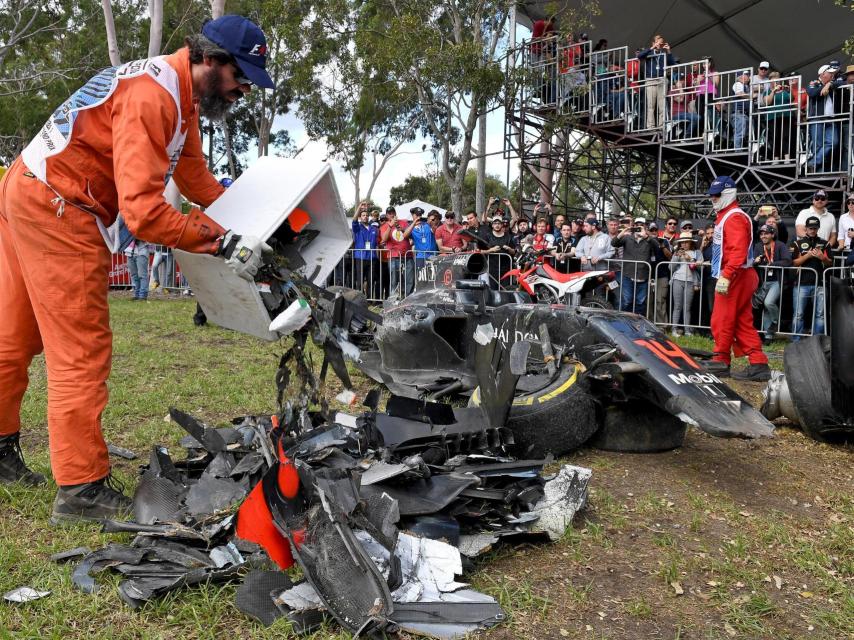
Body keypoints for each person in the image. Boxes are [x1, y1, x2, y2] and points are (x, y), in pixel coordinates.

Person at [0, 15, 275, 519]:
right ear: (209, 60)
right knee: (81, 350)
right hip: (62, 204)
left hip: (30, 186)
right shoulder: (154, 97)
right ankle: (81, 489)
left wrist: (255, 222)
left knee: (14, 336)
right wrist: (220, 242)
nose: (244, 91)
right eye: (241, 78)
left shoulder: (181, 98)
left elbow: (195, 178)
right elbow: (144, 214)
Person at [703, 176, 769, 380]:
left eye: (716, 195)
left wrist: (726, 275)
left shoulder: (734, 217)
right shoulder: (729, 216)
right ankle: (758, 363)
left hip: (735, 275)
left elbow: (738, 250)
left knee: (722, 318)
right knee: (741, 321)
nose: (713, 199)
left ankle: (721, 360)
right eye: (712, 195)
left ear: (728, 194)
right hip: (738, 274)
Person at [790, 216, 833, 337]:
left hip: (820, 283)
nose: (812, 230)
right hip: (801, 283)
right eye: (810, 228)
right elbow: (793, 263)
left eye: (815, 228)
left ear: (818, 228)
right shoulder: (797, 243)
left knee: (820, 315)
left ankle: (817, 341)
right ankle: (796, 341)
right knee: (798, 314)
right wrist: (807, 256)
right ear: (806, 228)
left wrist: (822, 257)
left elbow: (831, 263)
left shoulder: (825, 243)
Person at [751, 224, 792, 344]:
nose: (763, 236)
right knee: (766, 308)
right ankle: (768, 337)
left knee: (768, 302)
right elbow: (753, 262)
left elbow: (788, 261)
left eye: (766, 233)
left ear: (772, 235)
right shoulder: (758, 246)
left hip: (777, 281)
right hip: (763, 282)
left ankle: (775, 322)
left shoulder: (780, 245)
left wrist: (772, 264)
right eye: (761, 234)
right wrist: (755, 262)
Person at [611, 217, 658, 313]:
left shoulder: (649, 239)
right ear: (634, 226)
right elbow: (614, 243)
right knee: (627, 300)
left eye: (641, 225)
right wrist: (622, 232)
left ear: (645, 226)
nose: (639, 227)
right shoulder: (627, 237)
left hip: (643, 276)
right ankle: (625, 319)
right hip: (628, 275)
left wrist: (646, 237)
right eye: (637, 225)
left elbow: (657, 247)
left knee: (640, 302)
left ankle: (637, 321)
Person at [806, 63, 847, 172]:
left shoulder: (832, 83)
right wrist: (823, 87)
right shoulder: (814, 83)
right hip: (817, 118)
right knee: (818, 146)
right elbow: (812, 92)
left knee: (833, 142)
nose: (833, 75)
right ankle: (817, 171)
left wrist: (829, 84)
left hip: (831, 119)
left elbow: (844, 82)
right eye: (830, 73)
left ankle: (812, 163)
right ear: (823, 74)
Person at [637, 34, 676, 128]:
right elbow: (639, 56)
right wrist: (652, 47)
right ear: (653, 43)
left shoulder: (663, 53)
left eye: (661, 42)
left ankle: (661, 126)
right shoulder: (649, 52)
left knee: (661, 105)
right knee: (651, 105)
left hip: (661, 80)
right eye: (657, 42)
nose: (659, 44)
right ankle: (650, 126)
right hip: (650, 80)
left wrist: (668, 50)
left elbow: (672, 63)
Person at [669, 231, 703, 335]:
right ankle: (674, 330)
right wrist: (676, 257)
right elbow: (670, 268)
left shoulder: (697, 252)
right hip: (677, 280)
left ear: (691, 242)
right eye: (682, 242)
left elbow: (701, 268)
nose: (684, 244)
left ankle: (687, 331)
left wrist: (690, 259)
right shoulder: (677, 253)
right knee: (677, 306)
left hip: (691, 281)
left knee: (687, 307)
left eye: (686, 242)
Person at [379, 206, 415, 299]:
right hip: (393, 256)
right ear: (387, 215)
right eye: (389, 213)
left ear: (395, 213)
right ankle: (393, 300)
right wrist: (390, 226)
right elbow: (384, 239)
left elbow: (411, 235)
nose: (392, 215)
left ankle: (408, 300)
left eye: (393, 213)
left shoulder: (404, 222)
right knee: (394, 280)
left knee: (410, 279)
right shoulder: (384, 226)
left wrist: (402, 229)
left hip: (407, 255)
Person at [351, 203, 380, 297]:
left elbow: (376, 243)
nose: (365, 217)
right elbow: (354, 220)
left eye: (367, 215)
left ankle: (370, 300)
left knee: (371, 280)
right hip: (360, 257)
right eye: (363, 215)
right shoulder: (357, 227)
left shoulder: (374, 229)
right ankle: (359, 299)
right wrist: (359, 207)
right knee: (360, 281)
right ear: (360, 217)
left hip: (372, 258)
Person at [481, 216, 516, 285]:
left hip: (506, 269)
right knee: (493, 289)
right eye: (495, 223)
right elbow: (480, 251)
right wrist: (490, 250)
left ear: (502, 224)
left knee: (505, 289)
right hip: (492, 268)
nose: (497, 225)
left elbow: (514, 252)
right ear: (492, 225)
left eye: (499, 223)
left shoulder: (508, 236)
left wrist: (509, 249)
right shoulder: (487, 236)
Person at [409, 207, 437, 272]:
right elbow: (405, 235)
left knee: (433, 276)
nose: (419, 217)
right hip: (420, 256)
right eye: (417, 215)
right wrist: (414, 223)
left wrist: (432, 221)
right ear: (412, 215)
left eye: (420, 215)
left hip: (432, 255)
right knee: (420, 276)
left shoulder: (427, 224)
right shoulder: (410, 228)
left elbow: (434, 229)